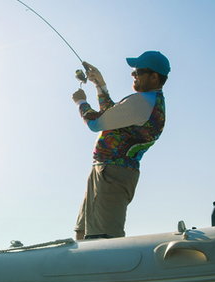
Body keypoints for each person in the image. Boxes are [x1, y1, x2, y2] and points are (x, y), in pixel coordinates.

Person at [71, 50, 169, 240]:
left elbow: (97, 123)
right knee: (82, 233)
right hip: (106, 172)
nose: (133, 75)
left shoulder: (141, 102)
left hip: (112, 175)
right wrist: (99, 84)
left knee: (101, 238)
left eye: (138, 71)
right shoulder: (148, 101)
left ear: (154, 76)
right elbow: (111, 115)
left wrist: (80, 102)